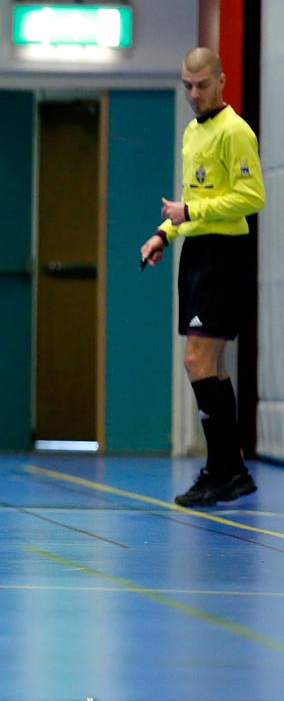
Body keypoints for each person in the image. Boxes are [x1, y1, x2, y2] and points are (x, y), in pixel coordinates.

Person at [140, 47, 266, 507]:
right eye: (186, 86)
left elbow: (252, 196)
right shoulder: (193, 131)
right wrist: (163, 233)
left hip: (224, 254)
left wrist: (190, 211)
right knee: (210, 365)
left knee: (197, 362)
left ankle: (221, 469)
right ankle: (231, 471)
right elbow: (189, 199)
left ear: (222, 81)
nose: (194, 95)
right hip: (197, 251)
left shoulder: (235, 131)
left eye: (202, 85)